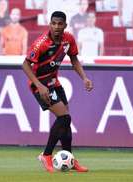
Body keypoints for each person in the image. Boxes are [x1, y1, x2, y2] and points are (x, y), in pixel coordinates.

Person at [22, 11, 93, 173]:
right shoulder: (41, 43)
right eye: (53, 23)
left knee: (65, 121)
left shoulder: (68, 39)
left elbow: (74, 59)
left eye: (60, 24)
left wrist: (84, 78)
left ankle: (69, 158)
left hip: (55, 83)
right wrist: (39, 86)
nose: (56, 27)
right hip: (40, 85)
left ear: (65, 25)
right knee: (64, 117)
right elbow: (25, 65)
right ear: (50, 24)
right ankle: (46, 155)